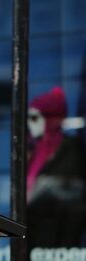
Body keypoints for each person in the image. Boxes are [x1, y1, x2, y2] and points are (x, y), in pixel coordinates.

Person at [26, 87, 86, 250]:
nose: (29, 124)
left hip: (59, 244)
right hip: (33, 241)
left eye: (34, 118)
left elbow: (73, 194)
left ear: (51, 119)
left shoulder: (70, 150)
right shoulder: (33, 152)